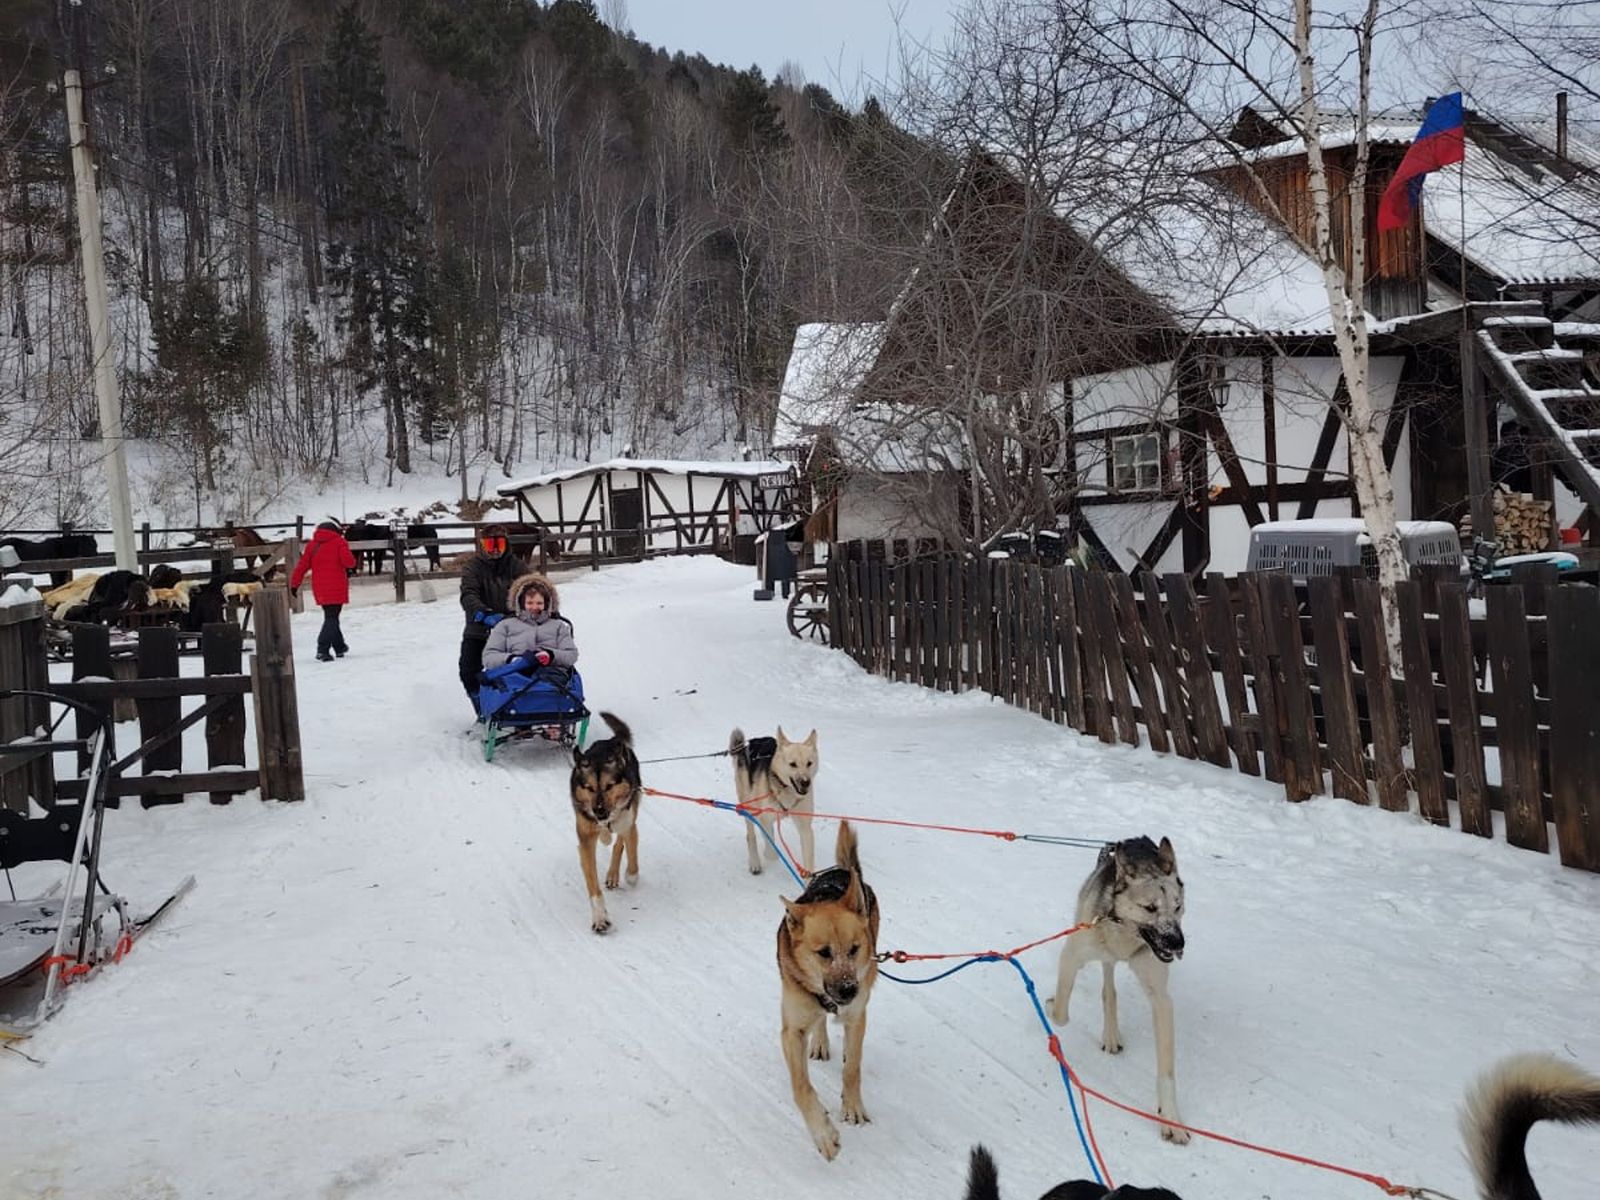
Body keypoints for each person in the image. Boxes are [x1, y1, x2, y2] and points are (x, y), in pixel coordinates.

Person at [459, 523, 529, 709]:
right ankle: (482, 709)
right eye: (491, 545)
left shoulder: (517, 566)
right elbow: (468, 594)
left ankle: (516, 709)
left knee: (516, 669)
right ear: (483, 545)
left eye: (500, 544)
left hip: (512, 627)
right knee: (468, 671)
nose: (496, 550)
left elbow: (531, 589)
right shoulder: (472, 567)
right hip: (479, 628)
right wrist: (483, 614)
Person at [481, 573, 579, 674]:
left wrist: (551, 655)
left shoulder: (558, 626)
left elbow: (571, 655)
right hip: (513, 678)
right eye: (530, 603)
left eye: (539, 603)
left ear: (547, 604)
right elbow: (489, 657)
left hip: (551, 678)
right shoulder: (505, 625)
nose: (534, 607)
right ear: (521, 603)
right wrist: (511, 659)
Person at [289, 519, 358, 661]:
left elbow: (302, 567)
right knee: (332, 617)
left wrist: (294, 584)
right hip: (336, 585)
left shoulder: (312, 545)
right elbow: (349, 562)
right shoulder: (339, 542)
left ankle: (339, 646)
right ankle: (322, 649)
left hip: (319, 587)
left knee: (331, 616)